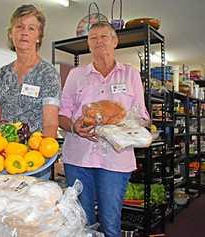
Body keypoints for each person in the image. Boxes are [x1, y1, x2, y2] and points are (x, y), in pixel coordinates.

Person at [58, 21, 150, 237]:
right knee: (83, 221)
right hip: (78, 158)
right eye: (93, 38)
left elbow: (143, 116)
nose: (99, 41)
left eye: (104, 36)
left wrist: (124, 125)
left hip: (116, 160)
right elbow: (62, 114)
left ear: (115, 41)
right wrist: (73, 125)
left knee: (111, 221)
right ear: (88, 44)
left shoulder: (131, 75)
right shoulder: (76, 75)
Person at [0, 4, 61, 138]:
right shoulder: (1, 74)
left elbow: (50, 124)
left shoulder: (48, 73)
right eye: (19, 27)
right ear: (11, 33)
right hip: (2, 151)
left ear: (39, 37)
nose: (24, 32)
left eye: (31, 28)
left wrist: (45, 154)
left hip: (34, 153)